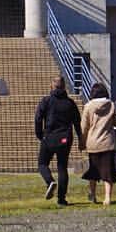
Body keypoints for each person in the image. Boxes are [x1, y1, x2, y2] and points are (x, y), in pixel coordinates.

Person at [34, 77, 83, 207]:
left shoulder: (46, 101)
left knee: (42, 164)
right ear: (64, 87)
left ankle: (49, 181)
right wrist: (80, 138)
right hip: (65, 138)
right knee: (62, 168)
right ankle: (61, 199)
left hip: (49, 137)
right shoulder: (70, 103)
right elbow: (77, 122)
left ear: (52, 86)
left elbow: (38, 118)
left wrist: (40, 134)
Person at [80, 82, 116, 205]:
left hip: (92, 143)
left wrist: (82, 142)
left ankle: (92, 194)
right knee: (108, 171)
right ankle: (107, 197)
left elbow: (84, 126)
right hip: (108, 142)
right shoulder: (111, 105)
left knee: (93, 170)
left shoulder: (88, 106)